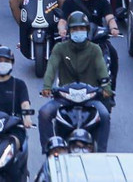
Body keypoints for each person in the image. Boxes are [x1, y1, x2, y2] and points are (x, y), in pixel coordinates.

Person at [38, 12, 111, 151]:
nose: (78, 32)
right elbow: (51, 68)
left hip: (90, 97)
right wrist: (47, 86)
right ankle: (50, 149)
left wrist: (106, 88)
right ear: (69, 31)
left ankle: (102, 152)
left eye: (81, 28)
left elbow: (102, 70)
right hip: (65, 97)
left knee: (104, 115)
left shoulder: (95, 49)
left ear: (87, 30)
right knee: (44, 113)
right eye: (75, 29)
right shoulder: (60, 48)